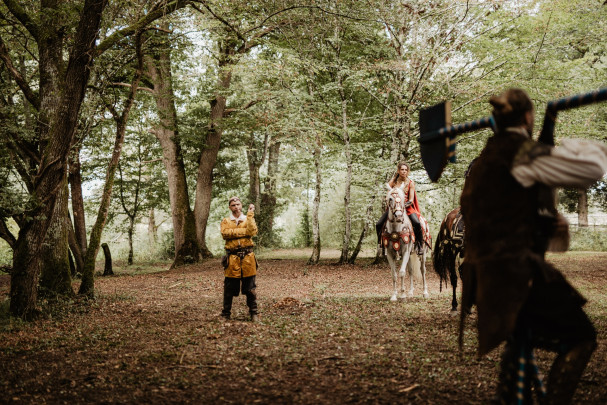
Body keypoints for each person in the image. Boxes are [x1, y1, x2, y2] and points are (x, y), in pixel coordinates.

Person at [459, 88, 607, 404]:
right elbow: (591, 170)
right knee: (582, 336)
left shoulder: (487, 157)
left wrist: (544, 224)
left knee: (520, 351)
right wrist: (573, 145)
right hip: (512, 279)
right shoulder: (519, 152)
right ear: (528, 117)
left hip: (486, 279)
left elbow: (505, 218)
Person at [220, 196, 259, 322]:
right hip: (232, 259)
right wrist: (244, 231)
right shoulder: (226, 220)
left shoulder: (248, 218)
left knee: (250, 288)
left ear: (241, 205)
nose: (236, 207)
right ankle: (226, 314)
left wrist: (250, 215)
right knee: (229, 288)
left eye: (238, 204)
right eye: (233, 205)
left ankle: (254, 313)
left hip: (248, 258)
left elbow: (252, 231)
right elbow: (225, 234)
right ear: (229, 207)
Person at [376, 161, 426, 254]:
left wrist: (403, 205)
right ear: (398, 171)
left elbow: (411, 199)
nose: (404, 171)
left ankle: (419, 245)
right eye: (402, 169)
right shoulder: (393, 182)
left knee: (417, 223)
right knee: (379, 224)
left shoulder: (410, 183)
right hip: (394, 208)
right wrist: (393, 204)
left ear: (408, 171)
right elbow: (388, 196)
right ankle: (381, 243)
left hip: (407, 207)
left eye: (406, 170)